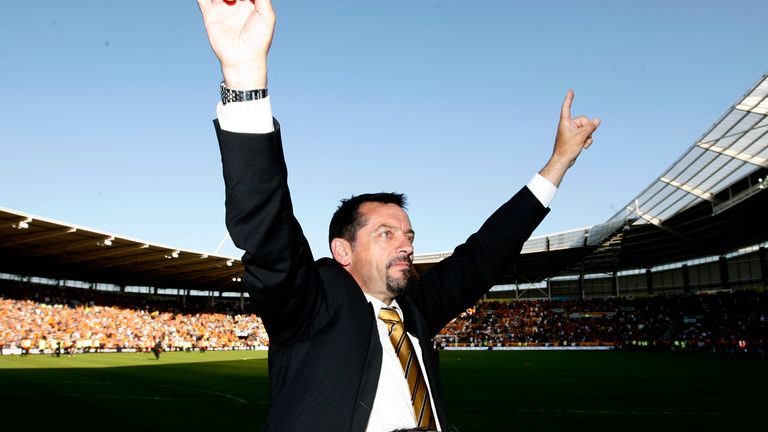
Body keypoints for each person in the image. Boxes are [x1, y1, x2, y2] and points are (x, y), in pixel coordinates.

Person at [197, 0, 600, 430]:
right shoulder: (312, 305)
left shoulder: (416, 309)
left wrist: (557, 162)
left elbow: (486, 253)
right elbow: (267, 225)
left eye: (408, 234)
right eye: (386, 233)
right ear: (342, 251)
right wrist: (243, 77)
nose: (406, 243)